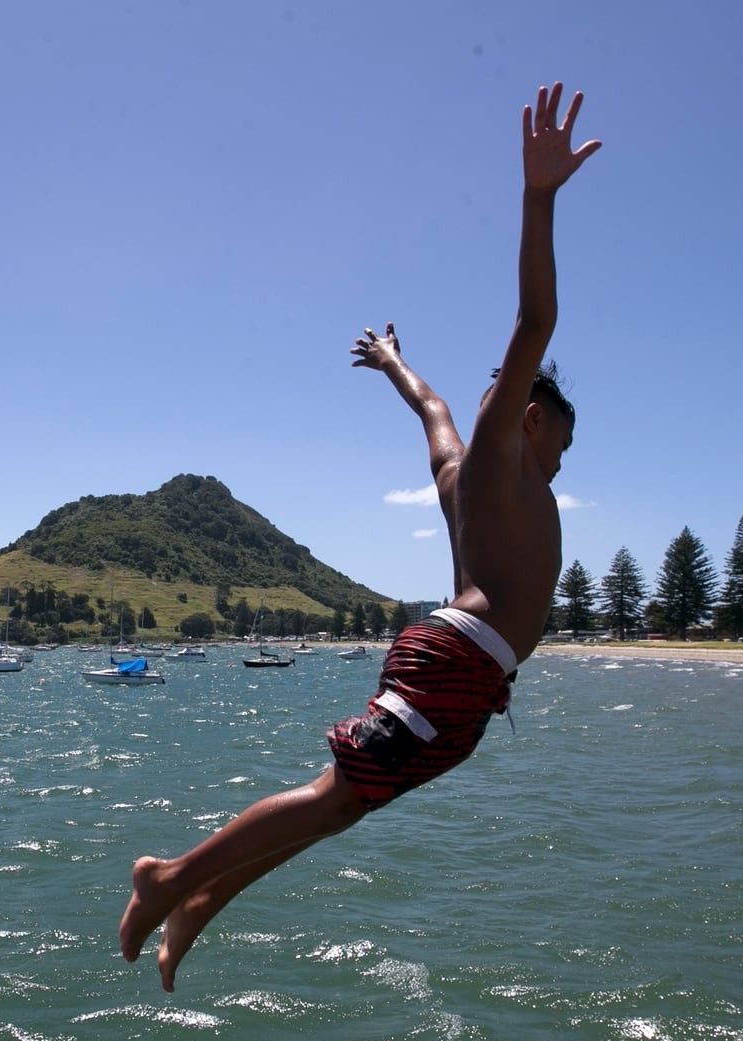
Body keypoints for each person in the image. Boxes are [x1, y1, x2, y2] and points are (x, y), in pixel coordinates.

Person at [117, 81, 600, 992]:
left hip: (469, 673)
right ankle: (169, 877)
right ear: (533, 417)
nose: (563, 469)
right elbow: (536, 322)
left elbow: (433, 407)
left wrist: (391, 362)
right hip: (460, 658)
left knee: (344, 809)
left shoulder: (463, 464)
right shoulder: (505, 450)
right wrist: (538, 198)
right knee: (338, 797)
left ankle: (202, 901)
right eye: (563, 445)